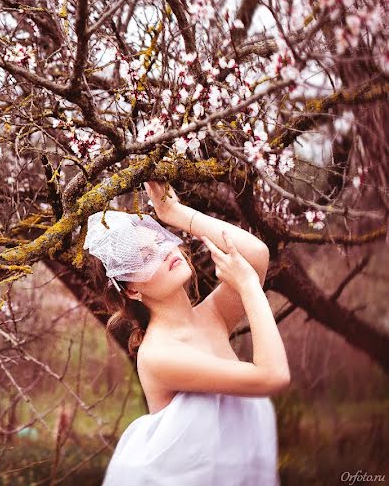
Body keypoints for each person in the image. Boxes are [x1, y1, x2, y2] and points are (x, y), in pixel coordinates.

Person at [85, 181, 289, 486]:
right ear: (132, 289)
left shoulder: (212, 316)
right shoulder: (159, 355)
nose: (163, 251)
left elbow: (257, 255)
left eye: (157, 240)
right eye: (143, 256)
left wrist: (176, 213)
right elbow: (273, 377)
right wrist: (246, 286)